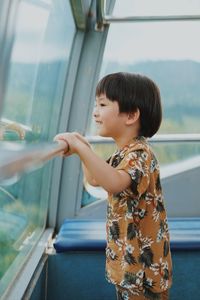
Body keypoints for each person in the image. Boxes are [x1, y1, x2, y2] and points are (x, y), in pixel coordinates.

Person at [54, 72, 173, 300]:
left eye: (102, 104)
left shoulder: (140, 154)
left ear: (131, 115)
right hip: (128, 265)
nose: (95, 112)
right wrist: (82, 147)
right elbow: (97, 179)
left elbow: (114, 183)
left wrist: (82, 149)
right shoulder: (124, 153)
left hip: (144, 270)